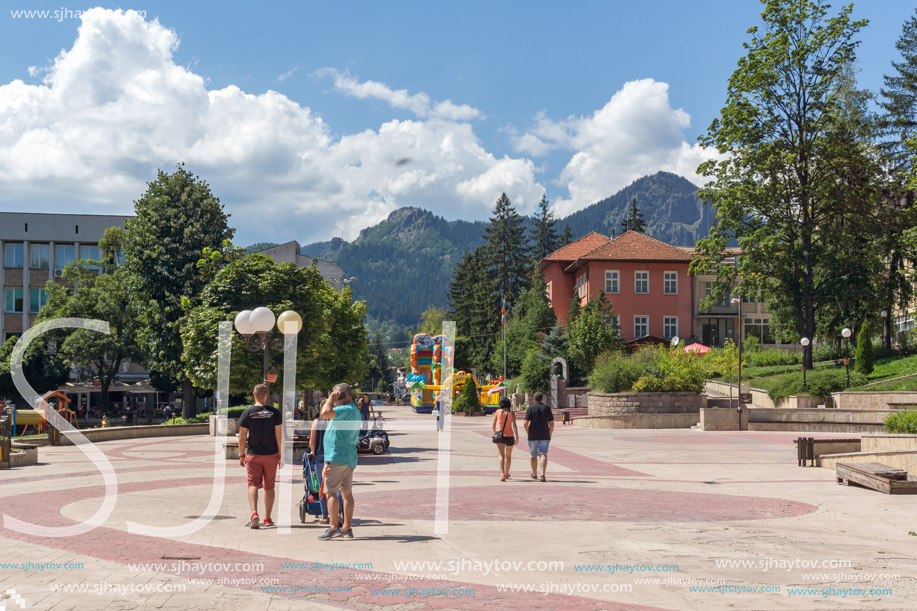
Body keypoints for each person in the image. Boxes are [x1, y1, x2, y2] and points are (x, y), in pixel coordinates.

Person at [317, 383, 361, 540]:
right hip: (348, 457)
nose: (335, 396)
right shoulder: (353, 410)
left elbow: (325, 413)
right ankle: (347, 528)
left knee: (330, 493)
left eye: (337, 394)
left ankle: (334, 527)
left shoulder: (346, 409)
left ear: (343, 395)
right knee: (346, 493)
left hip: (336, 457)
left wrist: (330, 398)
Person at [238, 384, 283, 529]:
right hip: (271, 455)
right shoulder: (274, 413)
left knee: (252, 484)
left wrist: (241, 455)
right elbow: (279, 435)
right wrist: (280, 454)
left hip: (253, 455)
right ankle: (268, 518)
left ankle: (254, 513)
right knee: (269, 486)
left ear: (253, 394)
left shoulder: (247, 413)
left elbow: (242, 437)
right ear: (267, 395)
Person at [308, 416, 342, 525]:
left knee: (322, 487)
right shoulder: (337, 421)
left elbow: (312, 442)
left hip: (320, 458)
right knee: (336, 487)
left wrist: (313, 452)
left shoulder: (317, 422)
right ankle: (338, 513)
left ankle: (325, 516)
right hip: (335, 458)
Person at [525, 391, 554, 482]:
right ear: (542, 399)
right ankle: (542, 474)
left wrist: (528, 432)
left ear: (534, 399)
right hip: (544, 434)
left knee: (533, 454)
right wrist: (550, 433)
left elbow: (525, 423)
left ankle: (534, 474)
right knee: (543, 453)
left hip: (533, 435)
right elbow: (551, 423)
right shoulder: (547, 408)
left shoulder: (530, 409)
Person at [492, 397, 518, 481]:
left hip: (500, 436)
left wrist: (495, 433)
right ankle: (507, 473)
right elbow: (514, 426)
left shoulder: (497, 412)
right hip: (510, 436)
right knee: (508, 456)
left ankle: (502, 474)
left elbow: (493, 425)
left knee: (501, 456)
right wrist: (517, 437)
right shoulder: (512, 413)